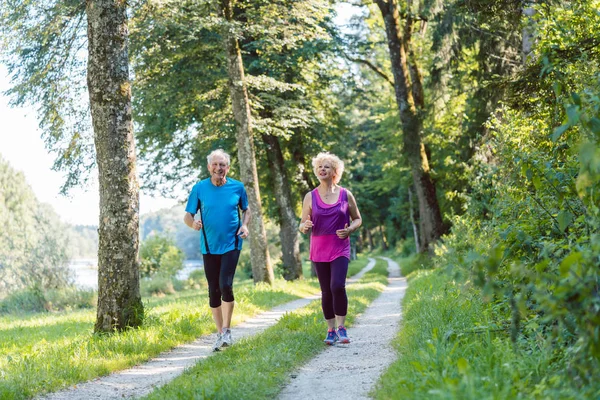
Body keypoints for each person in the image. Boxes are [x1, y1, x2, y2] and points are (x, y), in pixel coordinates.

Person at [184, 149, 250, 351]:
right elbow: (188, 215)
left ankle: (227, 331)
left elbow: (246, 210)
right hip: (209, 245)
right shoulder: (199, 188)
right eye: (215, 164)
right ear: (209, 167)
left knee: (226, 285)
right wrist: (193, 224)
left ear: (227, 168)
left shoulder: (237, 188)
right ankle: (220, 333)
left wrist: (245, 225)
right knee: (213, 290)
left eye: (222, 165)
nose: (218, 168)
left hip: (232, 243)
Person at [299, 152, 362, 345]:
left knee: (337, 286)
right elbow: (302, 225)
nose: (322, 169)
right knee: (326, 290)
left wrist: (350, 229)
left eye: (326, 166)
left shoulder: (345, 194)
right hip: (319, 247)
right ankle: (330, 330)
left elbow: (358, 218)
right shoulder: (310, 197)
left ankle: (342, 328)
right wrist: (304, 226)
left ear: (335, 171)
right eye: (319, 167)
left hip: (340, 246)